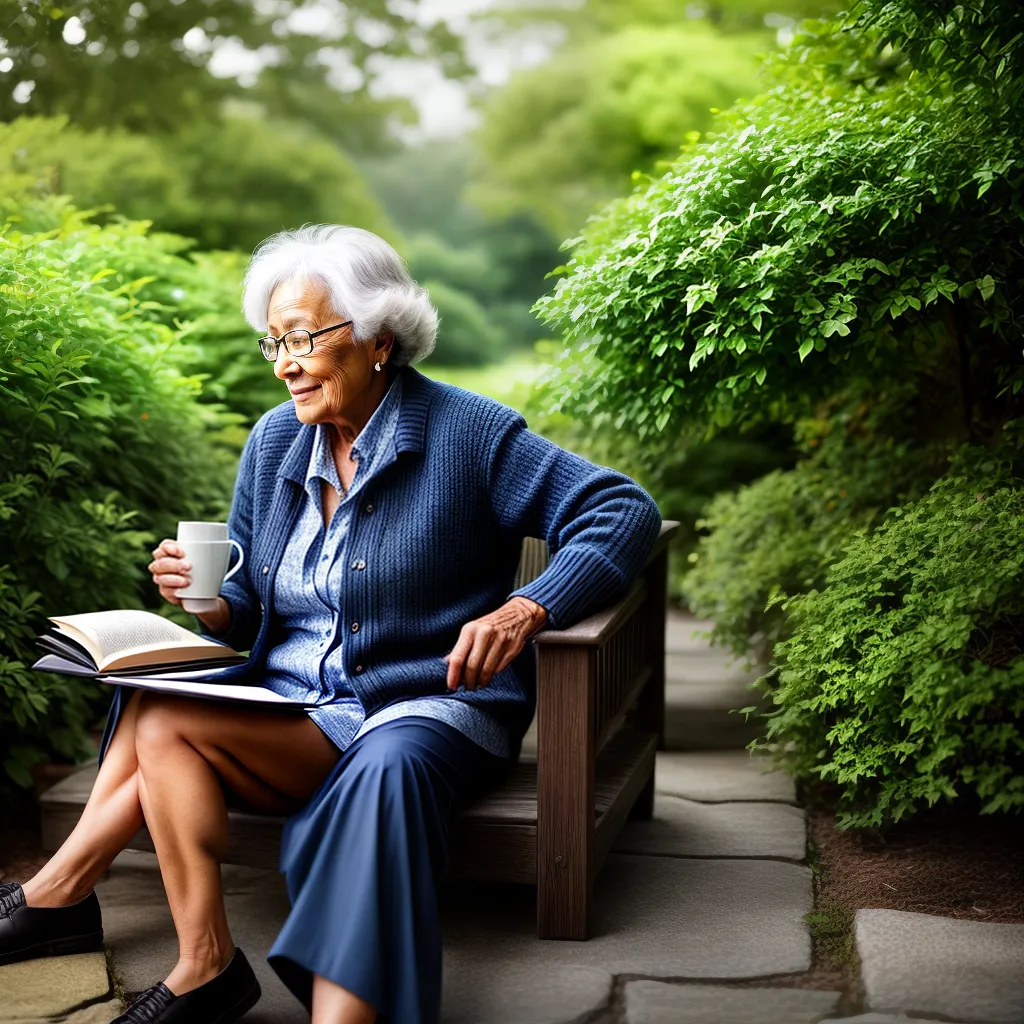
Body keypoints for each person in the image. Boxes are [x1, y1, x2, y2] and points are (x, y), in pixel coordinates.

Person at [0, 225, 663, 1024]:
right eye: (273, 341)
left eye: (304, 337)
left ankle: (75, 905)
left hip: (425, 705)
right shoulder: (276, 438)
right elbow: (245, 608)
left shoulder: (470, 433)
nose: (285, 362)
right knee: (160, 709)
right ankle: (204, 964)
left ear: (379, 340)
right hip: (293, 709)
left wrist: (527, 606)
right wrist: (205, 603)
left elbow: (621, 509)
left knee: (381, 775)